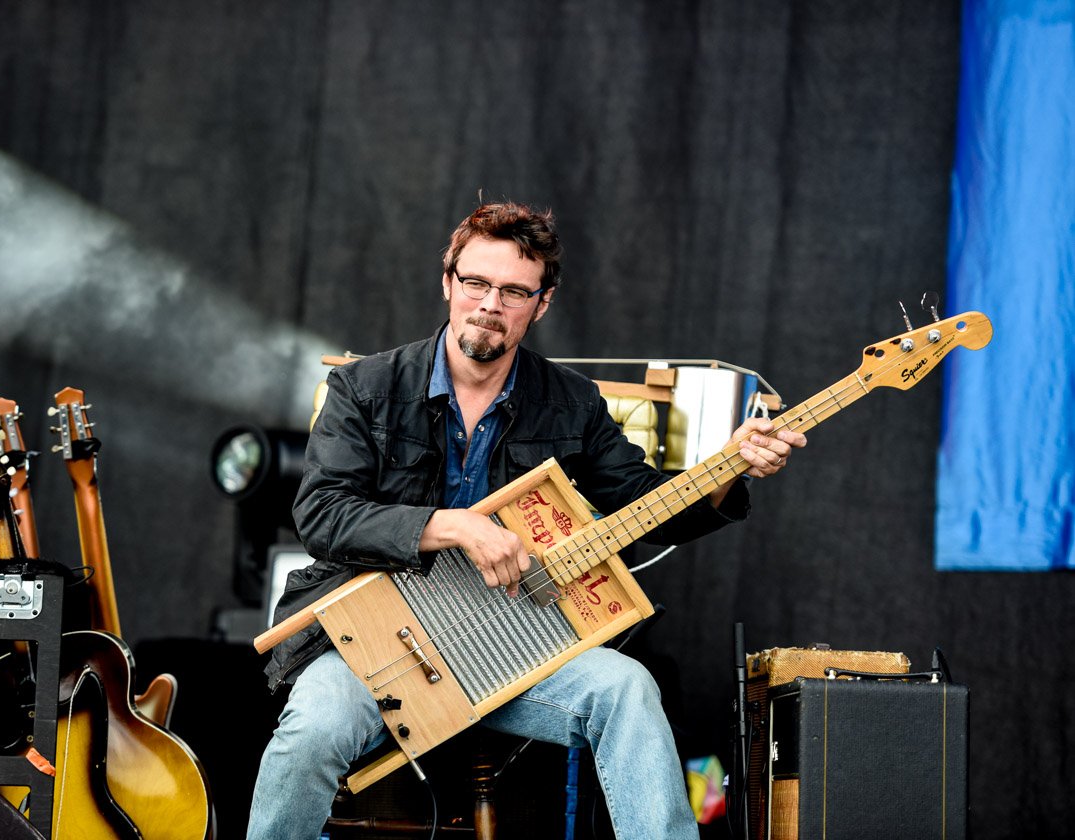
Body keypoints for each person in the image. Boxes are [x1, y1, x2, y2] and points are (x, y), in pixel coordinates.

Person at [246, 200, 805, 840]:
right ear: (448, 283)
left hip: (515, 646)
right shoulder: (365, 387)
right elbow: (323, 514)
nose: (490, 303)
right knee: (312, 729)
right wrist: (456, 526)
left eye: (514, 291)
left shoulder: (571, 402)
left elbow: (645, 504)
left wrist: (731, 468)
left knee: (627, 691)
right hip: (374, 642)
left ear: (541, 304)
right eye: (477, 283)